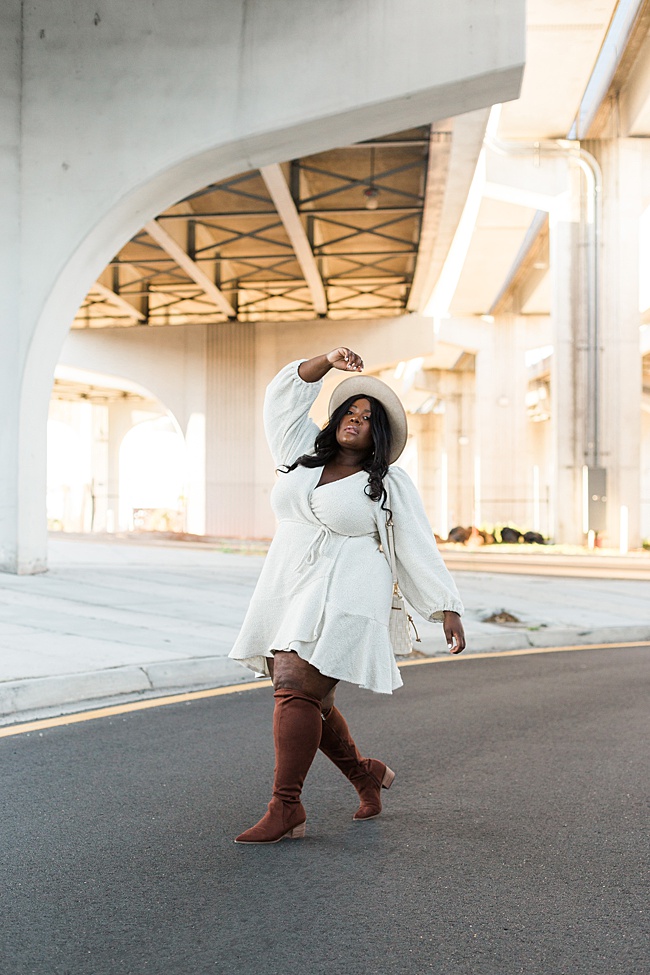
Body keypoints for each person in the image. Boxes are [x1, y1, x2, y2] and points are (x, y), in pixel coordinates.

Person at [229, 348, 465, 844]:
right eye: (350, 413)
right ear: (337, 420)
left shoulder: (387, 483)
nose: (355, 421)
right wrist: (326, 361)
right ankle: (366, 775)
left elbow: (416, 543)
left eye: (366, 419)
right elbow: (282, 398)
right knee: (309, 696)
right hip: (290, 585)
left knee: (294, 687)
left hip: (352, 590)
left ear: (377, 435)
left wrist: (447, 606)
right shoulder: (299, 454)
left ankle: (285, 807)